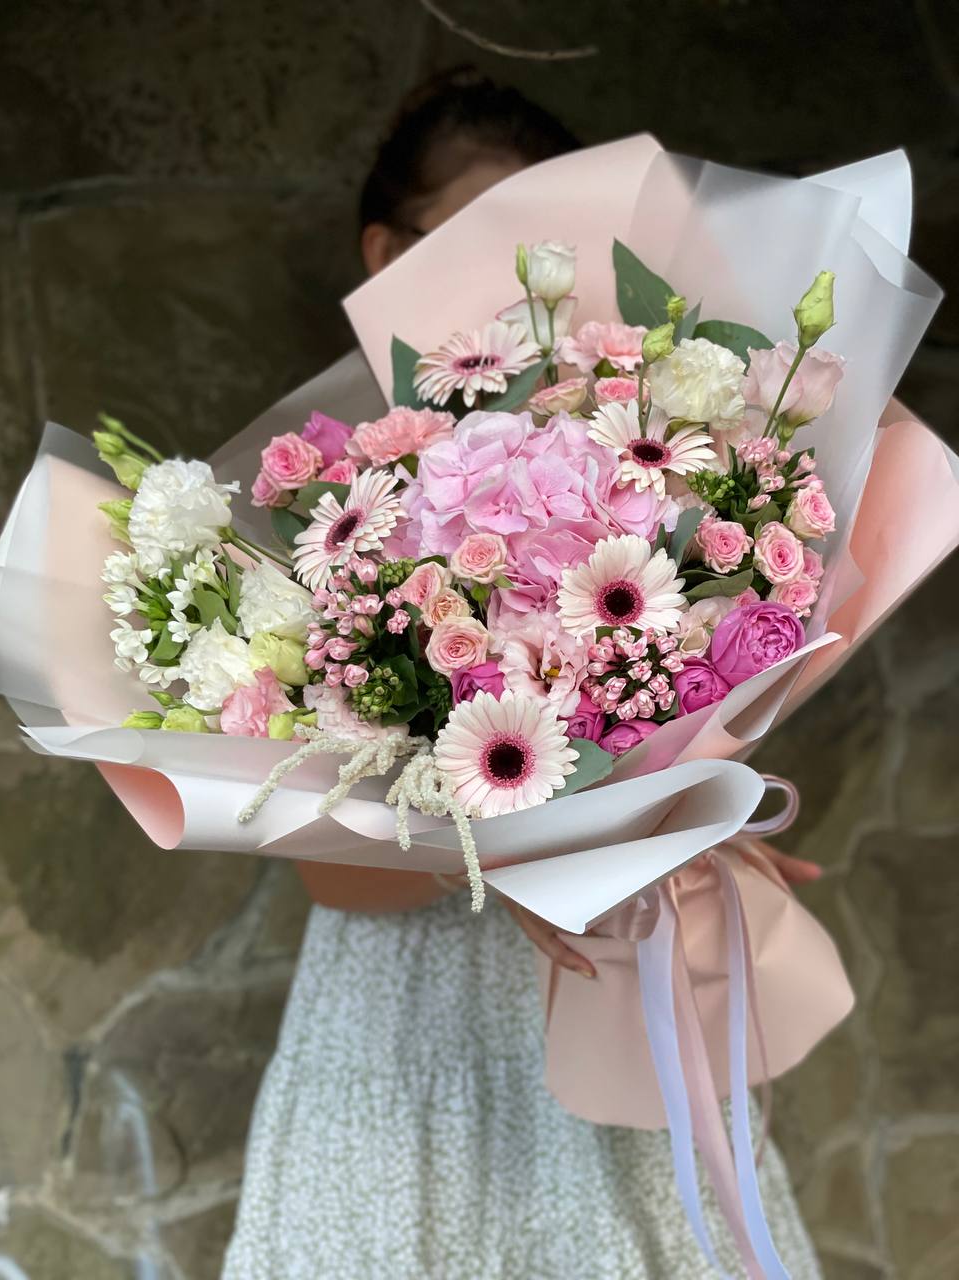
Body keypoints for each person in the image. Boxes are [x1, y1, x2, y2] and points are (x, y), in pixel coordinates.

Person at [223, 69, 823, 1280]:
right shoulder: (324, 507)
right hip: (404, 1020)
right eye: (471, 236)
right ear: (385, 251)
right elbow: (332, 875)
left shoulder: (644, 465)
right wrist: (522, 841)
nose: (504, 280)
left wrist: (659, 817)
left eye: (539, 240)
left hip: (610, 983)